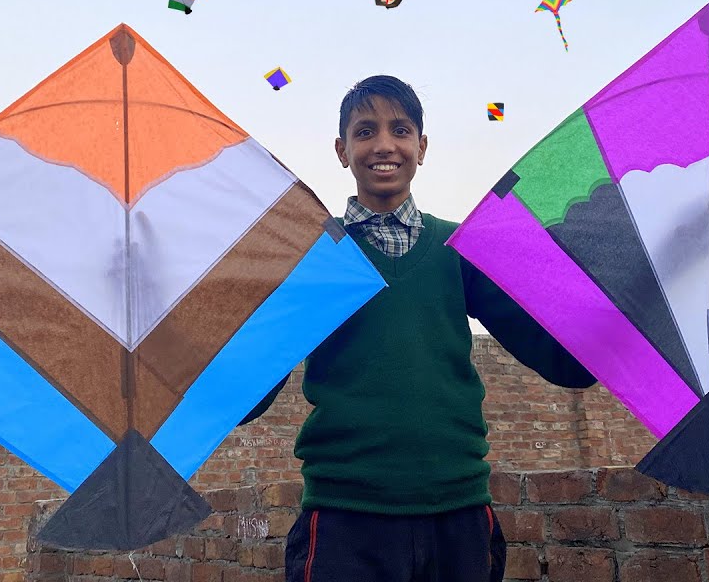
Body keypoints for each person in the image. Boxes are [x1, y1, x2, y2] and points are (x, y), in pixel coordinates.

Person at [239, 75, 597, 582]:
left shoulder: (460, 250)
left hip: (459, 514)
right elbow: (247, 396)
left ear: (421, 147)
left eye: (401, 130)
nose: (384, 145)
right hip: (344, 518)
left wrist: (623, 300)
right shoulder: (316, 258)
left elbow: (566, 362)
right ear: (342, 151)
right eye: (365, 132)